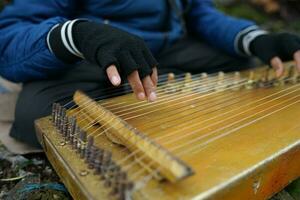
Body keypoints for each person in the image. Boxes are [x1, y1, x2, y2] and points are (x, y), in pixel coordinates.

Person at [0, 0, 299, 148]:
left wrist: (256, 38)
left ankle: (155, 87)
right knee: (39, 111)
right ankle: (158, 89)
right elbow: (10, 36)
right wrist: (79, 34)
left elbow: (200, 14)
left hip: (168, 49)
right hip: (98, 56)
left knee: (248, 61)